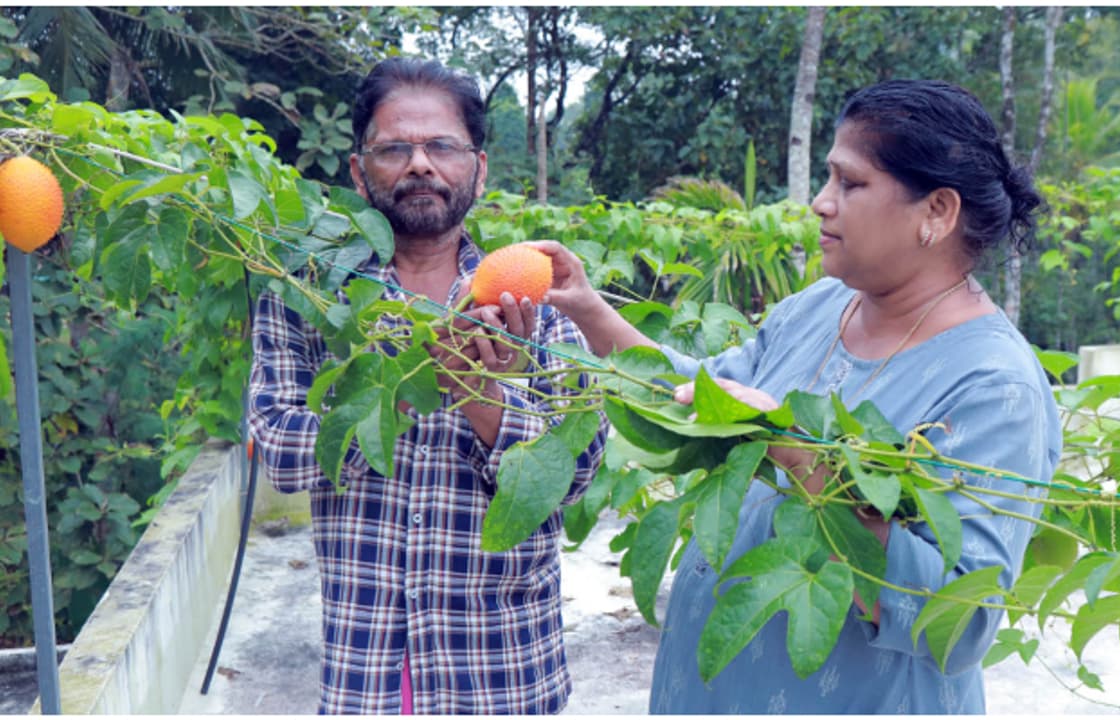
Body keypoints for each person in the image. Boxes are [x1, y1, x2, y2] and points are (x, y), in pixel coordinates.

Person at [531, 79, 1062, 714]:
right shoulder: (821, 305)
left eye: (850, 183)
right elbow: (704, 396)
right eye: (828, 180)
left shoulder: (994, 385)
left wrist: (794, 449)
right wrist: (592, 313)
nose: (820, 202)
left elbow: (959, 622)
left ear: (937, 213)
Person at [247, 57, 608, 715]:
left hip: (503, 670)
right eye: (394, 148)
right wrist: (409, 389)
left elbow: (576, 468)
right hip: (367, 670)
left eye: (442, 145)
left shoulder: (537, 297)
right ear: (359, 171)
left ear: (478, 167)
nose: (420, 164)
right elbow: (280, 447)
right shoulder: (311, 294)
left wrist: (482, 397)